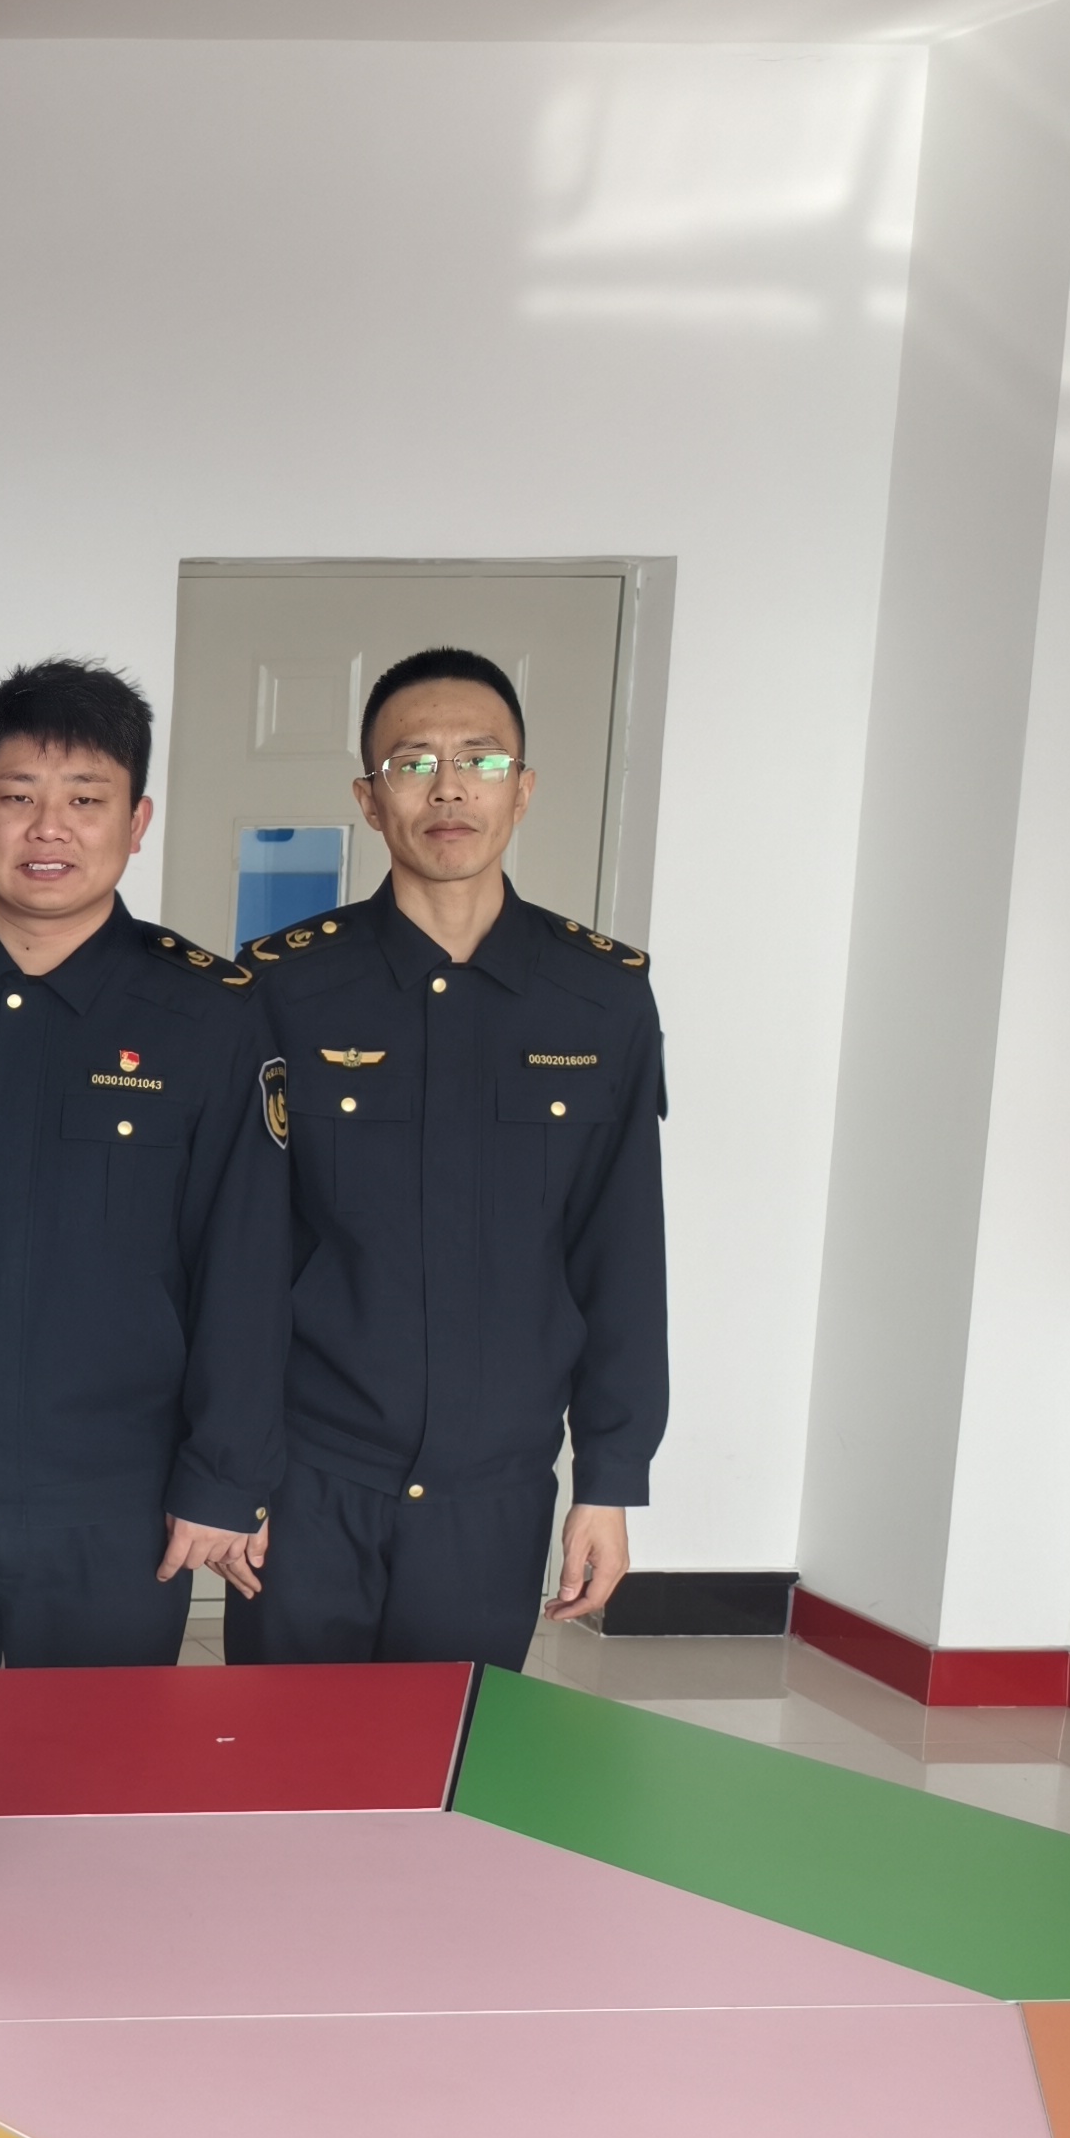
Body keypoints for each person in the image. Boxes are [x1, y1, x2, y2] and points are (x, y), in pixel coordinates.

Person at [0, 661, 289, 1667]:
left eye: (86, 800)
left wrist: (223, 1479)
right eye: (18, 798)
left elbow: (246, 1264)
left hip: (112, 1499)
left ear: (137, 822)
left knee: (93, 1756)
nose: (50, 829)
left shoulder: (207, 1014)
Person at [227, 644, 668, 1673]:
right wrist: (230, 1467)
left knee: (447, 1758)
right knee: (284, 1755)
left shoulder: (599, 999)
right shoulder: (285, 988)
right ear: (369, 800)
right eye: (412, 763)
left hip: (494, 1488)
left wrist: (608, 1479)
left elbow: (621, 1251)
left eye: (479, 759)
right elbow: (238, 1250)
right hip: (309, 1474)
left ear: (523, 790)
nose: (448, 788)